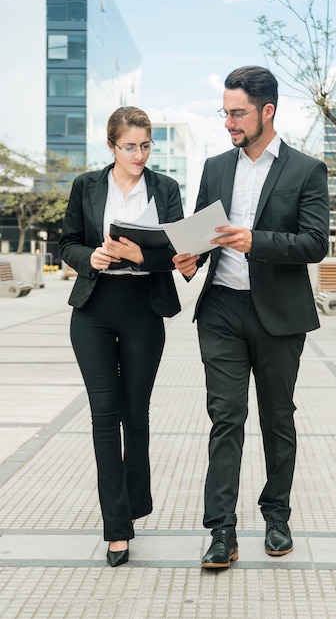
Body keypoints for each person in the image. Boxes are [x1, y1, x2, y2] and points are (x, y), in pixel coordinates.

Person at [173, 66, 329, 569]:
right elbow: (199, 231)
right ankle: (221, 530)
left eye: (237, 113)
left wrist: (254, 241)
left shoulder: (306, 170)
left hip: (279, 316)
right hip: (220, 308)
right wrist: (189, 257)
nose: (229, 123)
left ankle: (277, 516)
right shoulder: (217, 166)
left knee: (278, 419)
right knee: (226, 419)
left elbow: (315, 243)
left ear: (268, 111)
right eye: (225, 112)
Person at [59, 106, 183, 567]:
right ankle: (117, 528)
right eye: (130, 146)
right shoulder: (86, 186)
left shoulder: (165, 188)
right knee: (104, 416)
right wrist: (90, 256)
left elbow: (177, 251)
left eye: (146, 145)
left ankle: (134, 504)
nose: (139, 154)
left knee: (136, 414)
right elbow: (66, 240)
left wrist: (142, 255)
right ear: (111, 145)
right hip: (93, 309)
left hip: (143, 310)